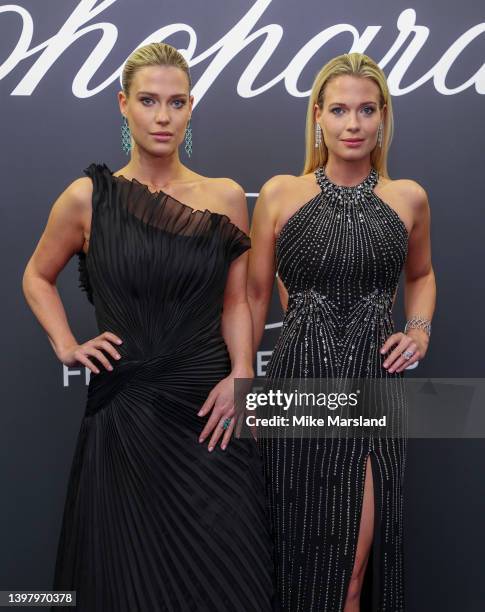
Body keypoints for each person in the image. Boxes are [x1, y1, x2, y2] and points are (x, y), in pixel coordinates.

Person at [22, 42, 274, 612]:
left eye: (176, 102)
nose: (163, 116)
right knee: (123, 577)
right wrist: (66, 344)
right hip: (125, 410)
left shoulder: (225, 196)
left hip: (209, 410)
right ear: (122, 105)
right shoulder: (89, 198)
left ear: (191, 109)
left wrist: (240, 374)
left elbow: (236, 303)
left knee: (228, 576)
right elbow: (37, 276)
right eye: (148, 101)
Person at [248, 53, 436, 611]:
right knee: (293, 565)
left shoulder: (408, 198)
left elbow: (421, 275)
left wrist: (418, 330)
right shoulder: (281, 193)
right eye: (338, 110)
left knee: (350, 575)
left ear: (383, 118)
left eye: (365, 110)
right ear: (317, 118)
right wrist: (246, 386)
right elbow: (257, 296)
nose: (352, 124)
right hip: (296, 386)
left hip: (372, 389)